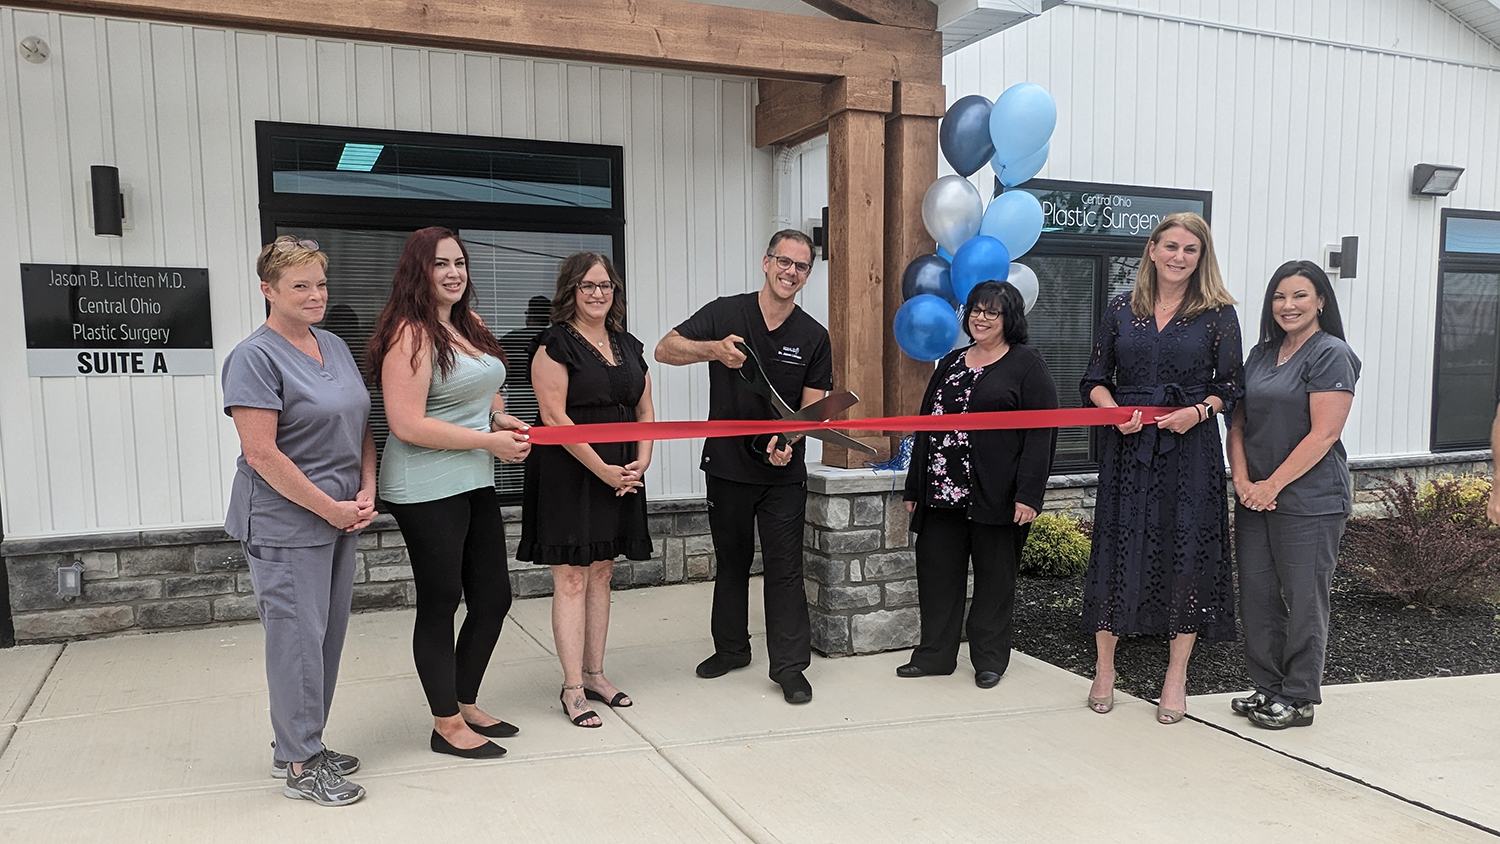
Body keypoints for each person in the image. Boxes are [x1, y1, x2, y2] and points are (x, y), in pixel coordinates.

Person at [368, 226, 532, 759]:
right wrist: (490, 441)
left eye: (459, 262)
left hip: (473, 476)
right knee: (441, 602)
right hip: (425, 484)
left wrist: (504, 418)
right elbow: (407, 424)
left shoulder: (470, 324)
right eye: (441, 264)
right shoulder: (410, 334)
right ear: (420, 271)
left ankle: (463, 700)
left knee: (493, 598)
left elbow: (487, 391)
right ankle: (446, 724)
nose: (454, 273)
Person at [222, 235, 374, 806]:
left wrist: (365, 489)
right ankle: (300, 764)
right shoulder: (253, 357)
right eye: (300, 286)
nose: (316, 295)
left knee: (325, 638)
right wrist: (331, 508)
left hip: (341, 515)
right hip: (287, 523)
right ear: (268, 290)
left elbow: (359, 420)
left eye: (321, 283)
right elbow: (262, 454)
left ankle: (302, 740)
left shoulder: (331, 344)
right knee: (295, 642)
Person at [654, 229, 832, 705]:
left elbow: (812, 412)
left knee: (785, 569)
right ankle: (731, 649)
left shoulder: (813, 336)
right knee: (731, 564)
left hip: (781, 474)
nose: (790, 272)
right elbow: (664, 349)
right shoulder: (726, 312)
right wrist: (713, 349)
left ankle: (790, 667)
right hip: (727, 465)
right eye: (783, 261)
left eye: (800, 266)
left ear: (807, 275)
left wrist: (789, 442)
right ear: (765, 262)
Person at [1079, 211, 1244, 723]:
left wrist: (1197, 411)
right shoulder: (1119, 310)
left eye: (1189, 249)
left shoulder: (1219, 314)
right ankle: (1104, 669)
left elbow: (1232, 385)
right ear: (1151, 250)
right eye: (1170, 246)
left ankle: (1176, 677)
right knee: (1115, 549)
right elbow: (1093, 378)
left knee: (1186, 554)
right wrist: (1112, 414)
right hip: (1128, 450)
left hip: (1190, 452)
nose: (1178, 256)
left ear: (1201, 258)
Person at [899, 281, 1058, 688]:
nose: (981, 318)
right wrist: (915, 488)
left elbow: (1041, 435)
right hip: (940, 495)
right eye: (975, 310)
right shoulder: (951, 362)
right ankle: (935, 655)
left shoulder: (1027, 364)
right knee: (937, 577)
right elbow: (926, 428)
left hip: (997, 497)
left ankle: (989, 659)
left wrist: (1029, 494)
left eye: (992, 312)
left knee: (994, 582)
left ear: (1010, 319)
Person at [518, 253, 654, 728]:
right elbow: (555, 417)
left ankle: (596, 674)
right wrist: (603, 469)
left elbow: (645, 410)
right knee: (571, 577)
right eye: (588, 285)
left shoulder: (627, 344)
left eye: (606, 286)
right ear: (570, 290)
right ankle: (572, 688)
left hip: (621, 473)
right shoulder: (554, 344)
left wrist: (643, 459)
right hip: (571, 472)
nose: (598, 294)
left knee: (602, 573)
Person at [1226, 260, 1360, 729]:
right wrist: (1242, 482)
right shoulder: (1261, 355)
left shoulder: (1331, 354)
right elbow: (1238, 423)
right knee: (1257, 597)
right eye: (1280, 297)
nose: (1288, 305)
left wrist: (1271, 485)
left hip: (1310, 501)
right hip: (1253, 498)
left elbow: (1323, 435)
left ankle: (1299, 696)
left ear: (1321, 300)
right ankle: (1267, 687)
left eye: (1300, 295)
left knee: (1303, 598)